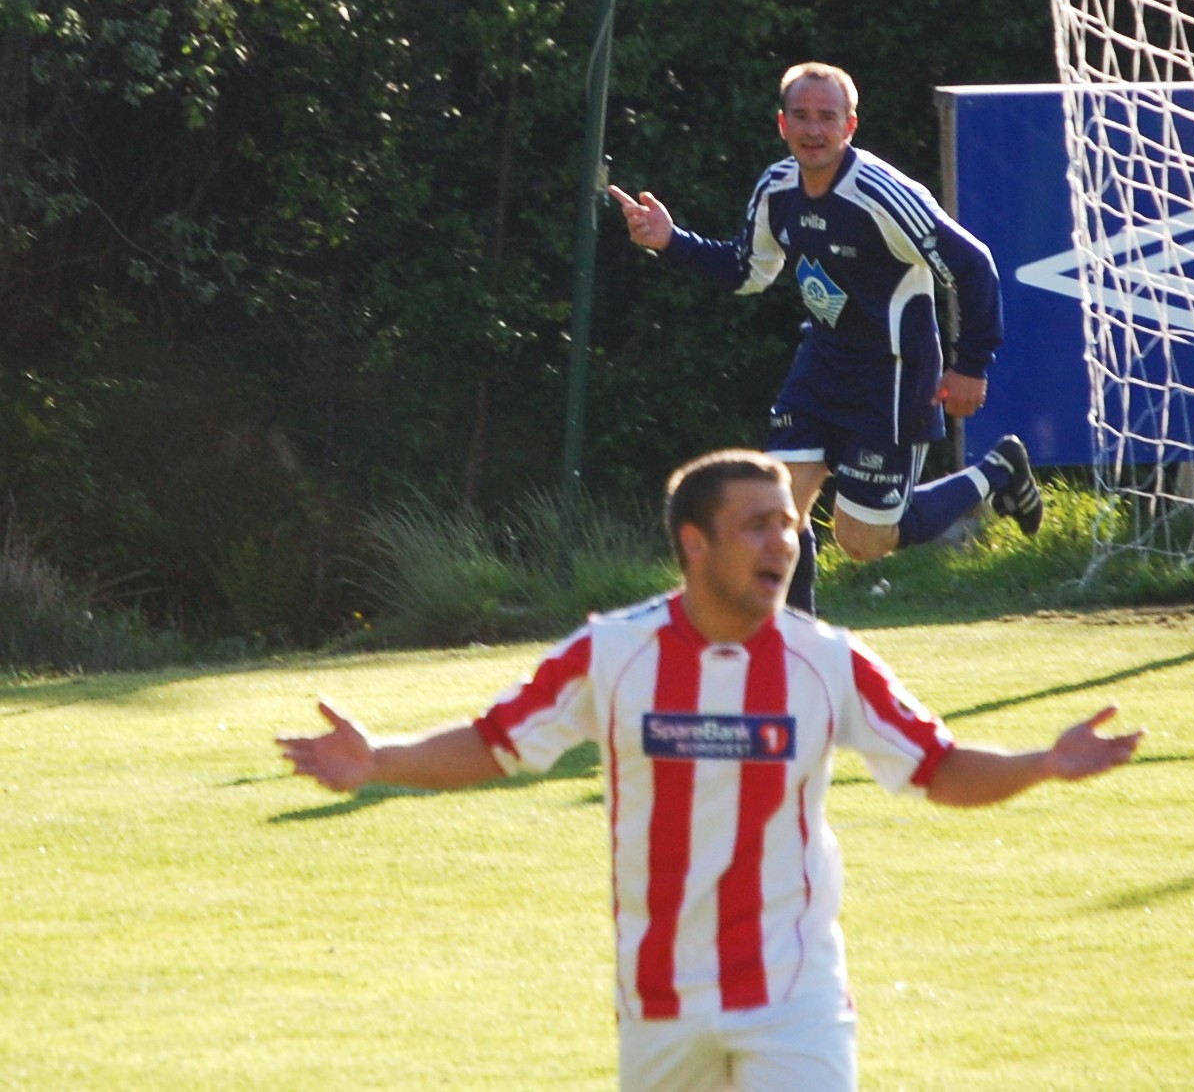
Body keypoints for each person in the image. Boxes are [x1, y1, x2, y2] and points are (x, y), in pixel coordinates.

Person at [277, 449, 1140, 1091]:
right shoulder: (611, 653)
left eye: (789, 524)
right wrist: (379, 759)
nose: (785, 541)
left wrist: (1042, 762)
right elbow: (497, 741)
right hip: (661, 992)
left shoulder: (829, 662)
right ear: (695, 542)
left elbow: (936, 767)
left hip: (794, 985)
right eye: (757, 524)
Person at [612, 62, 1042, 616]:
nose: (814, 130)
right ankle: (796, 650)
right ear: (782, 124)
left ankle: (997, 471)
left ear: (850, 126)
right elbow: (749, 271)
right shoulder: (778, 187)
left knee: (863, 542)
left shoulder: (882, 194)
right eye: (802, 116)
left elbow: (972, 264)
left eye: (827, 117)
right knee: (777, 513)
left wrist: (971, 364)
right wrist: (673, 241)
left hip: (890, 378)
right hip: (821, 366)